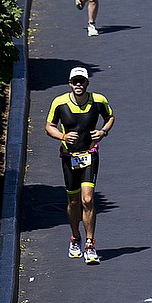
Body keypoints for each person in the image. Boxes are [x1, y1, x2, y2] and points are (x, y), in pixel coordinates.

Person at [45, 65, 114, 265]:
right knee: (74, 201)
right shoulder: (59, 103)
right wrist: (63, 136)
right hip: (69, 157)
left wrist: (103, 132)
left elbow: (110, 117)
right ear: (69, 83)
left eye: (81, 81)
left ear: (87, 83)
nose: (78, 85)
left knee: (88, 199)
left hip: (90, 155)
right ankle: (75, 237)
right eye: (74, 81)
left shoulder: (98, 100)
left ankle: (90, 244)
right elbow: (49, 126)